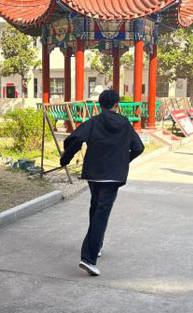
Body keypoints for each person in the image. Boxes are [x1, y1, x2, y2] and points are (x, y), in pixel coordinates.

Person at [60, 89, 145, 276]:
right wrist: (123, 161)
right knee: (101, 214)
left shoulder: (94, 122)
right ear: (117, 105)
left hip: (94, 174)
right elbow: (139, 147)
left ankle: (96, 245)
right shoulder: (125, 124)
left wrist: (66, 158)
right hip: (113, 176)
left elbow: (75, 138)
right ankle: (88, 259)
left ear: (100, 104)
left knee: (96, 208)